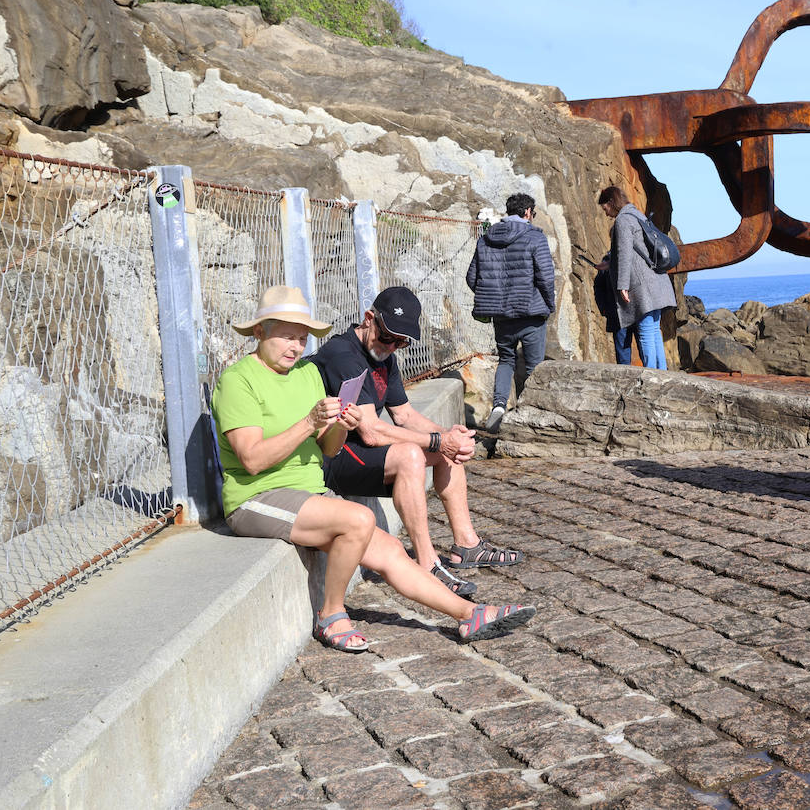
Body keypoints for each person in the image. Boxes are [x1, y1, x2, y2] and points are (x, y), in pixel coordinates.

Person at [211, 285, 534, 651]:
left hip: (309, 492)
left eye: (302, 338)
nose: (296, 347)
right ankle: (330, 615)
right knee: (360, 520)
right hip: (255, 498)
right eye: (287, 336)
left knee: (392, 551)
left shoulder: (306, 375)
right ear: (259, 332)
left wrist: (338, 426)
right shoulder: (238, 380)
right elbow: (251, 461)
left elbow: (328, 447)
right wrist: (308, 422)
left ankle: (469, 614)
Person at [309, 286, 523, 600]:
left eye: (402, 342)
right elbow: (370, 432)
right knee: (414, 453)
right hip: (334, 453)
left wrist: (450, 436)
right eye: (388, 338)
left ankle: (467, 545)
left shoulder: (384, 353)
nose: (393, 346)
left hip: (364, 451)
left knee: (445, 449)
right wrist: (438, 441)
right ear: (370, 319)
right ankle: (427, 563)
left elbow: (405, 415)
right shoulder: (344, 356)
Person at [465, 193, 556, 432]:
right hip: (531, 313)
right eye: (533, 214)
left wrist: (494, 297)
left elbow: (471, 278)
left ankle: (498, 407)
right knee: (534, 367)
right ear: (527, 212)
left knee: (506, 360)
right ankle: (527, 416)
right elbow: (545, 277)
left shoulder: (486, 239)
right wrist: (549, 304)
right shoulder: (535, 237)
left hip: (502, 317)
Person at [597, 185, 676, 369]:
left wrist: (622, 286)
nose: (606, 213)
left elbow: (624, 254)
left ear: (611, 202)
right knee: (655, 331)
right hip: (657, 281)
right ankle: (662, 374)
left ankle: (652, 377)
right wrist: (609, 265)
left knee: (646, 332)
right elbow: (636, 252)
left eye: (605, 208)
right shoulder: (637, 215)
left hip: (642, 287)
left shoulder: (623, 220)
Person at [594, 253, 641, 364]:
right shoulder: (608, 259)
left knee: (641, 353)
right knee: (627, 356)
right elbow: (599, 286)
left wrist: (604, 308)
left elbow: (598, 286)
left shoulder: (609, 259)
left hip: (633, 312)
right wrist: (604, 308)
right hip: (621, 313)